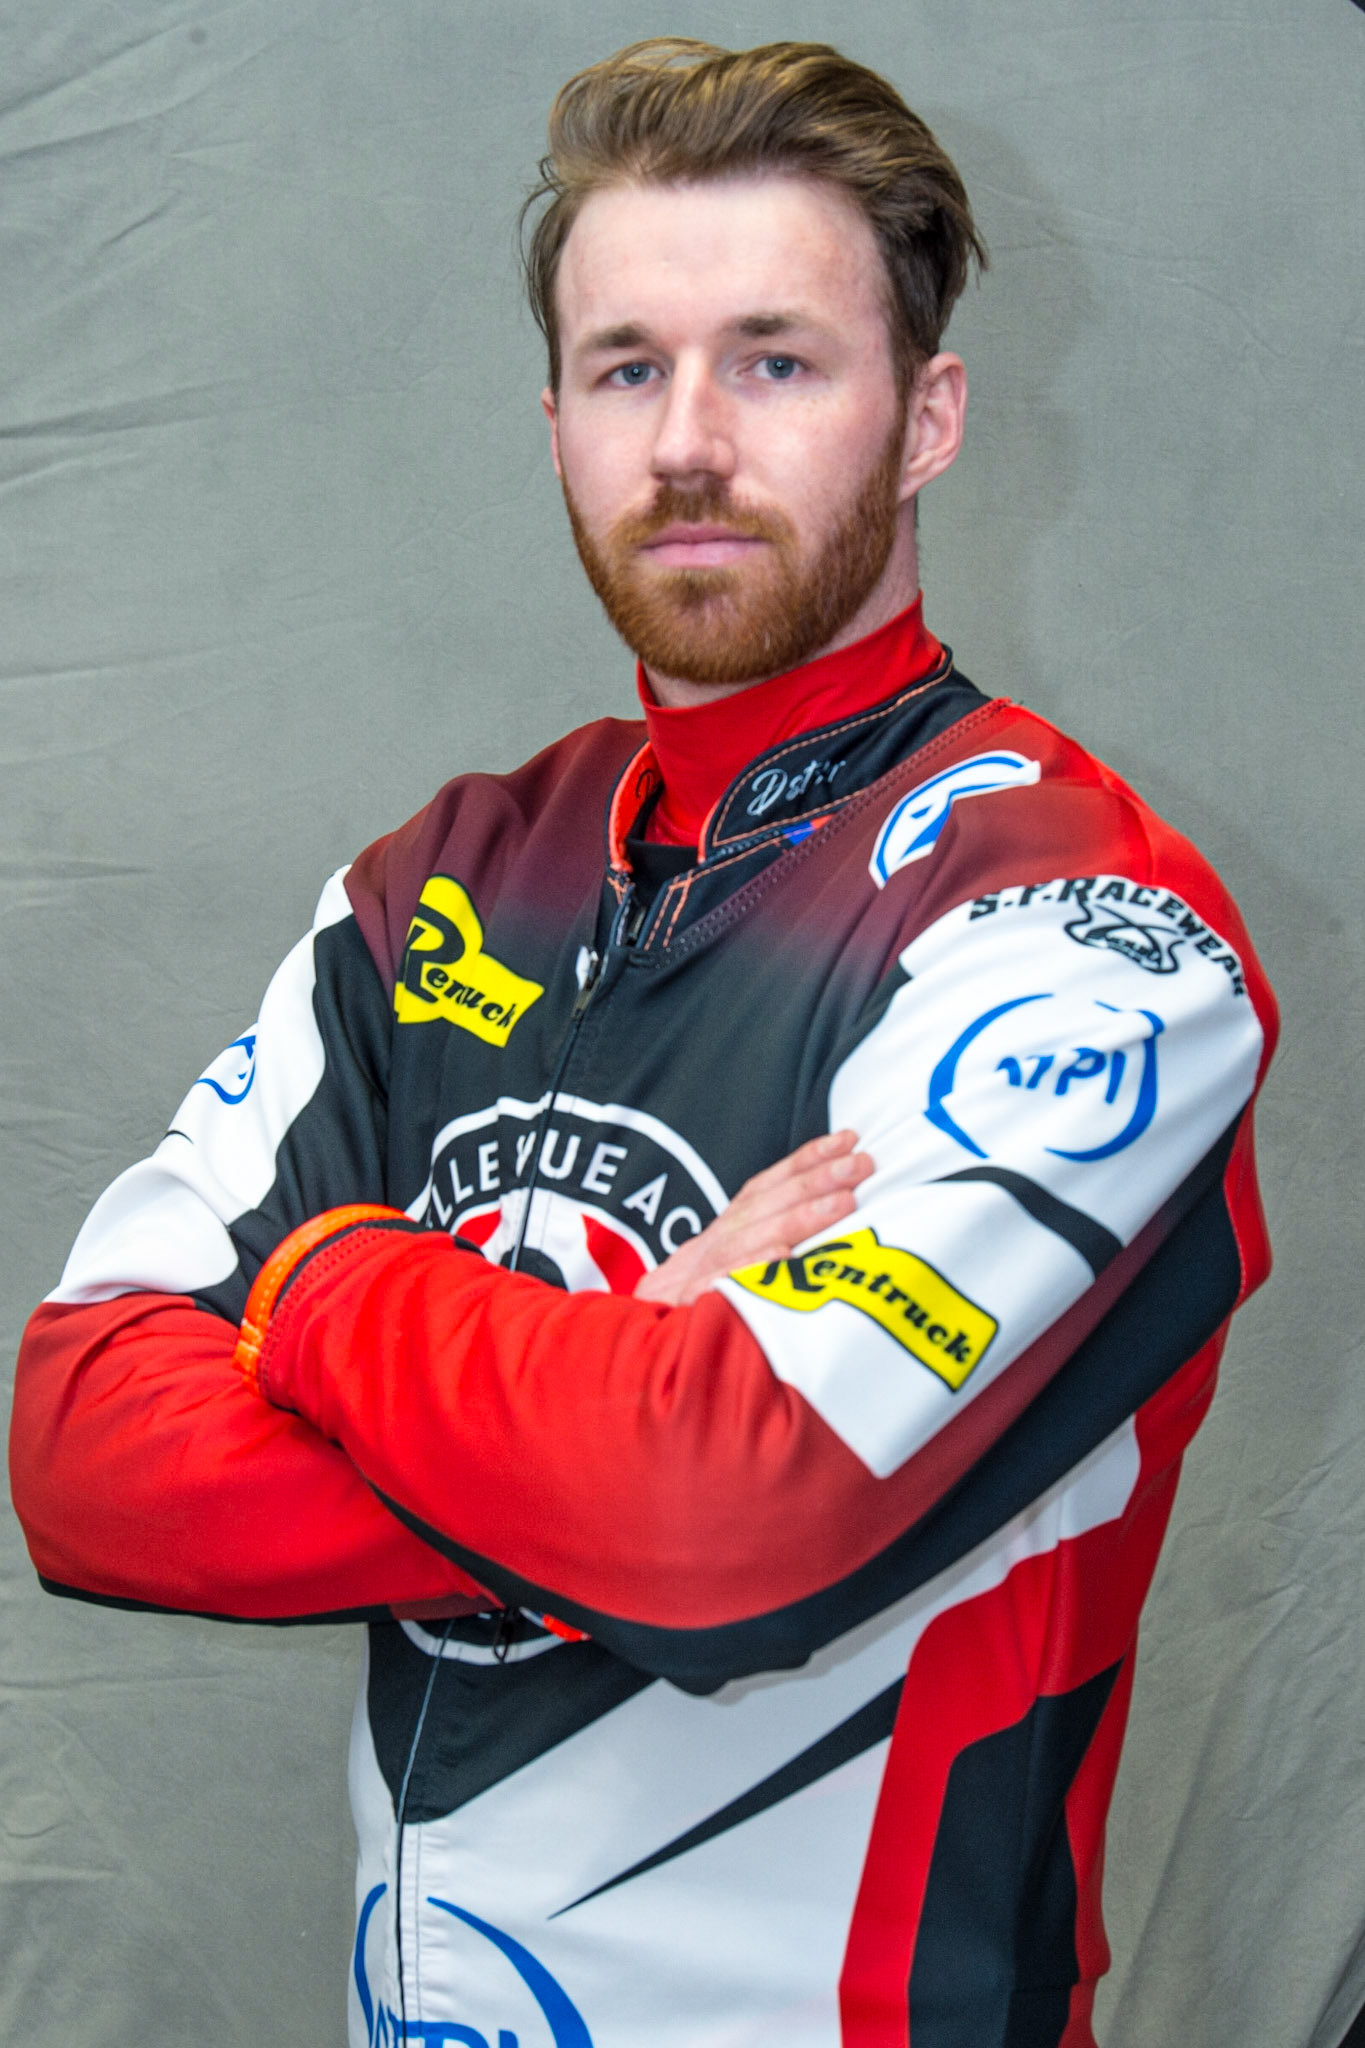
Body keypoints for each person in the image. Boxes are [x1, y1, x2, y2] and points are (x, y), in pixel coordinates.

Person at [9, 36, 1277, 2048]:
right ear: (553, 425)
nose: (687, 438)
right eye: (626, 367)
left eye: (773, 359)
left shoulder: (1078, 927)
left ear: (926, 413)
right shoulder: (448, 877)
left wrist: (337, 1287)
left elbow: (717, 1519)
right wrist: (585, 1413)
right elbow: (83, 1450)